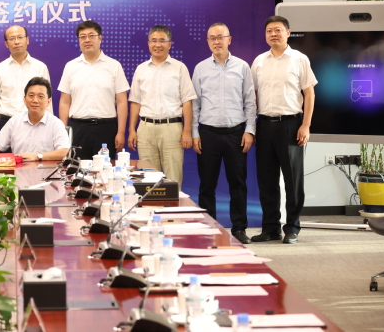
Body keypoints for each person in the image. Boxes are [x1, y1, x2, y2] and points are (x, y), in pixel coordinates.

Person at [251, 15, 317, 244]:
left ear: (288, 33)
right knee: (266, 180)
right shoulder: (259, 61)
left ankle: (292, 227)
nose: (273, 34)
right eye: (269, 30)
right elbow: (254, 95)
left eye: (278, 30)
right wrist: (252, 128)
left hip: (291, 125)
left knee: (292, 181)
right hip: (264, 125)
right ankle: (270, 228)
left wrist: (305, 125)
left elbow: (309, 93)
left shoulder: (299, 59)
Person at [191, 23, 257, 244]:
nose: (216, 42)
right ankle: (209, 230)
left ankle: (239, 229)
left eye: (220, 37)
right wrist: (194, 133)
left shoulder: (242, 66)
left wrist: (250, 130)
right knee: (206, 185)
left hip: (236, 134)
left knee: (238, 184)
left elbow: (250, 102)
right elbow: (195, 104)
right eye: (212, 38)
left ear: (229, 39)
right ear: (207, 41)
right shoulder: (200, 68)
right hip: (207, 134)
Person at [127, 24, 196, 184]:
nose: (157, 44)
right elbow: (135, 102)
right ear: (148, 44)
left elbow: (187, 102)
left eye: (162, 41)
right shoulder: (141, 69)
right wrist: (131, 130)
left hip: (172, 129)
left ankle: (173, 202)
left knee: (173, 178)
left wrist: (187, 131)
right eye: (154, 40)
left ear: (169, 44)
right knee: (149, 179)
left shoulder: (179, 68)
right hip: (146, 129)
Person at [58, 20, 129, 159]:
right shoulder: (71, 66)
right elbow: (65, 102)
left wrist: (121, 132)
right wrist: (63, 133)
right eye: (82, 37)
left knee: (104, 170)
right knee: (77, 169)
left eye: (91, 35)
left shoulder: (114, 66)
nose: (87, 40)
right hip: (78, 128)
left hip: (106, 128)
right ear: (79, 40)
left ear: (100, 38)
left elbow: (122, 101)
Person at [0, 77, 70, 162]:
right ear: (24, 99)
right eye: (31, 95)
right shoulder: (15, 121)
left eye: (40, 96)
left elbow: (64, 152)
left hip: (46, 173)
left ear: (48, 102)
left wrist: (37, 156)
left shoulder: (56, 124)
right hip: (18, 172)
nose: (35, 100)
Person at [0, 25, 51, 139]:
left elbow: (47, 101)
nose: (16, 42)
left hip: (34, 123)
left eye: (20, 37)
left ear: (27, 40)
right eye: (12, 38)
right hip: (5, 124)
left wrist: (49, 127)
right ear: (6, 44)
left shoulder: (40, 67)